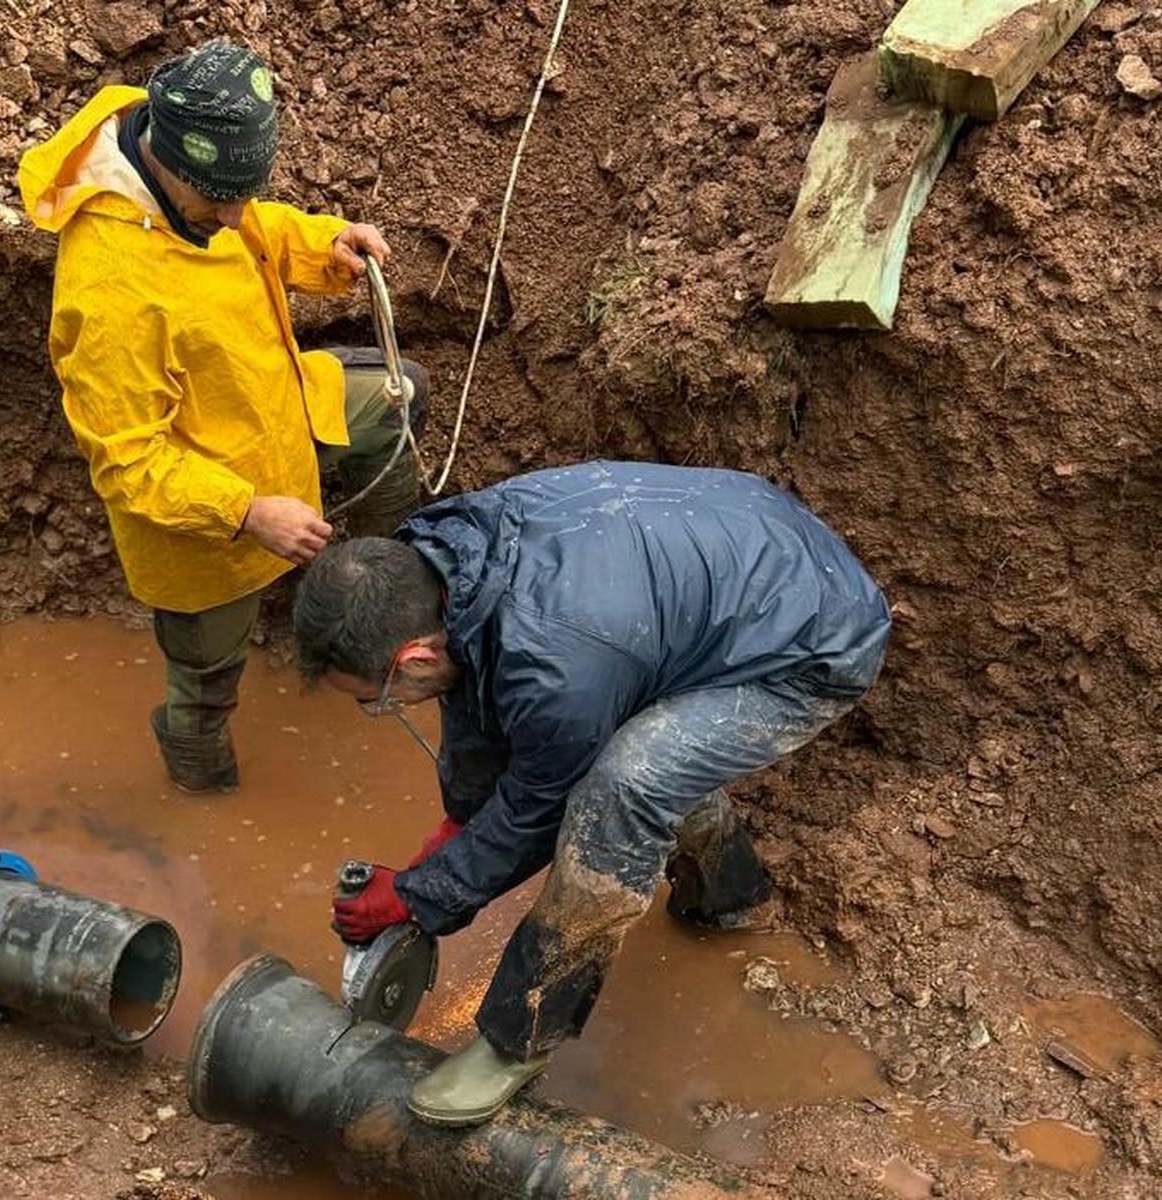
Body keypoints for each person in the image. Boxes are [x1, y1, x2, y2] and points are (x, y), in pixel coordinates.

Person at [293, 461, 892, 1126]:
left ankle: (521, 1036)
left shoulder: (556, 666)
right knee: (651, 757)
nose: (384, 710)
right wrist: (455, 833)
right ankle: (732, 897)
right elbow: (481, 691)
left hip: (813, 644)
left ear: (412, 659)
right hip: (738, 563)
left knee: (622, 789)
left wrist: (419, 895)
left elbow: (538, 808)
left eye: (378, 701)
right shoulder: (451, 557)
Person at [17, 39, 429, 794]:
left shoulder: (192, 182)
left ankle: (365, 587)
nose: (235, 216)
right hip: (203, 530)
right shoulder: (111, 291)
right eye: (219, 202)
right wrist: (248, 512)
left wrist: (324, 244)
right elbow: (129, 462)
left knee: (402, 397)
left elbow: (258, 225)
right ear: (172, 169)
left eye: (240, 196)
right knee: (207, 678)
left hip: (277, 408)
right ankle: (197, 767)